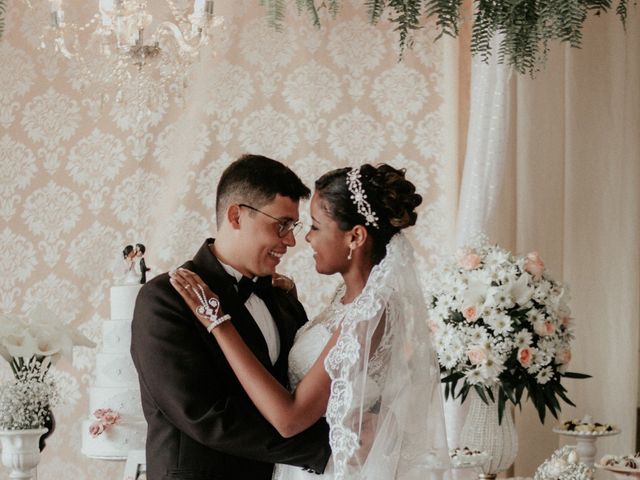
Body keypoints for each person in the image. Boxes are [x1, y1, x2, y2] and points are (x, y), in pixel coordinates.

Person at [170, 164, 451, 479]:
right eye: (287, 225)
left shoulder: (370, 311)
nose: (302, 238)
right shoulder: (344, 300)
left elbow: (290, 418)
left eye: (315, 226)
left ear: (355, 237)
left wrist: (219, 323)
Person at [131, 155, 331, 480]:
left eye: (293, 227)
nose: (291, 240)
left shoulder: (283, 301)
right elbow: (205, 416)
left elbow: (296, 392)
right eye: (281, 224)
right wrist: (325, 447)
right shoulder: (164, 299)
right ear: (237, 216)